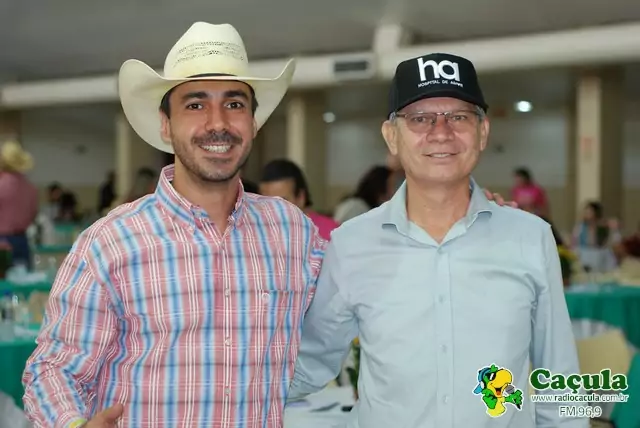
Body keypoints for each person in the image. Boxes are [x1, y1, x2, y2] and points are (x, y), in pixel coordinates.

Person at [22, 22, 321, 428]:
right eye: (195, 105)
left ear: (253, 123)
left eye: (234, 104)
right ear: (165, 125)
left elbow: (344, 311)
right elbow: (53, 368)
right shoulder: (111, 242)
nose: (218, 123)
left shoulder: (292, 231)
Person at [288, 53, 586, 428]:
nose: (441, 132)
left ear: (483, 132)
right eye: (419, 118)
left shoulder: (529, 237)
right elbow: (310, 362)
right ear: (391, 136)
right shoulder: (352, 244)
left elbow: (559, 378)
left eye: (458, 117)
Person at [259, 158, 338, 240]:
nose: (273, 209)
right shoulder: (257, 233)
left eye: (282, 202)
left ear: (300, 198)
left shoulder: (330, 233)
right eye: (267, 202)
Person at [0, 141, 38, 268]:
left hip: (2, 242)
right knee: (23, 278)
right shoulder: (30, 187)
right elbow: (33, 214)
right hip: (22, 240)